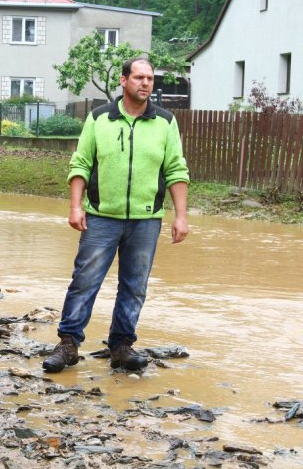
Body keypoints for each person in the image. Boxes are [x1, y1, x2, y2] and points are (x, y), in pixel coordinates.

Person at [42, 57, 190, 374]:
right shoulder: (99, 119)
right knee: (85, 281)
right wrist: (75, 206)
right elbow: (80, 164)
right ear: (123, 81)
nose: (146, 83)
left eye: (150, 78)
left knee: (134, 286)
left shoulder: (165, 122)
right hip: (100, 217)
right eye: (139, 77)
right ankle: (68, 345)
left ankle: (121, 347)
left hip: (146, 219)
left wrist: (181, 216)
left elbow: (176, 169)